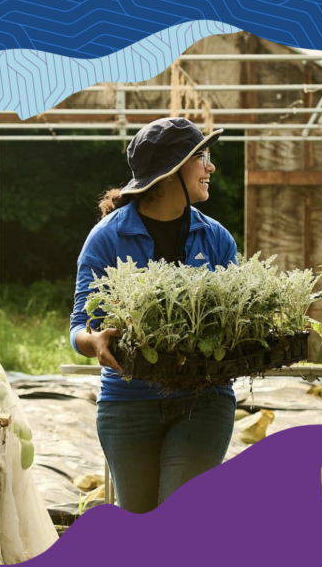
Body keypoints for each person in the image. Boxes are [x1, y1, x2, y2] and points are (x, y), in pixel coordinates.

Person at [70, 117, 239, 512]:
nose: (210, 167)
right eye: (201, 156)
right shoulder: (107, 237)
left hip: (204, 399)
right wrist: (94, 341)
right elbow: (79, 325)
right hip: (127, 403)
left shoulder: (216, 239)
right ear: (169, 173)